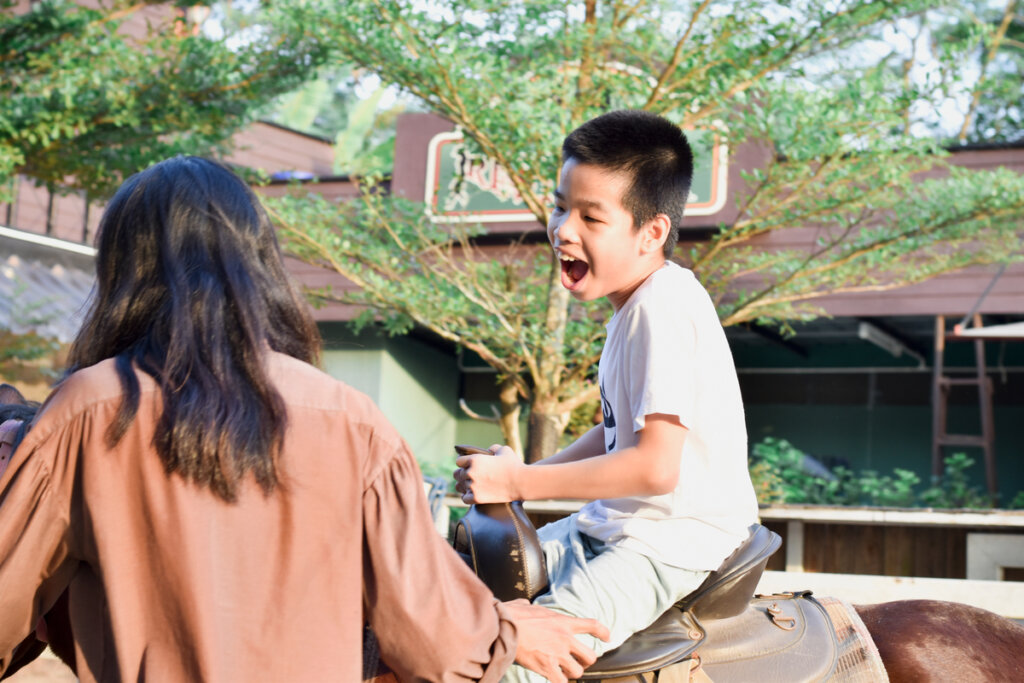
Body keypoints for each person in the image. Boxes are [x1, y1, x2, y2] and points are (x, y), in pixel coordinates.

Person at [0, 156, 607, 682]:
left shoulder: (84, 413)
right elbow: (434, 641)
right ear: (257, 264)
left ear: (123, 273)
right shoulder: (350, 421)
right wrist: (504, 631)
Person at [453, 110, 759, 681]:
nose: (565, 229)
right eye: (560, 206)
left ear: (652, 233)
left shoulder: (662, 309)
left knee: (514, 664)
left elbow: (654, 467)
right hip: (613, 526)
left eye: (592, 217)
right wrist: (527, 478)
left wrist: (519, 484)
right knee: (456, 584)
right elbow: (616, 432)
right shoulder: (634, 306)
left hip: (666, 546)